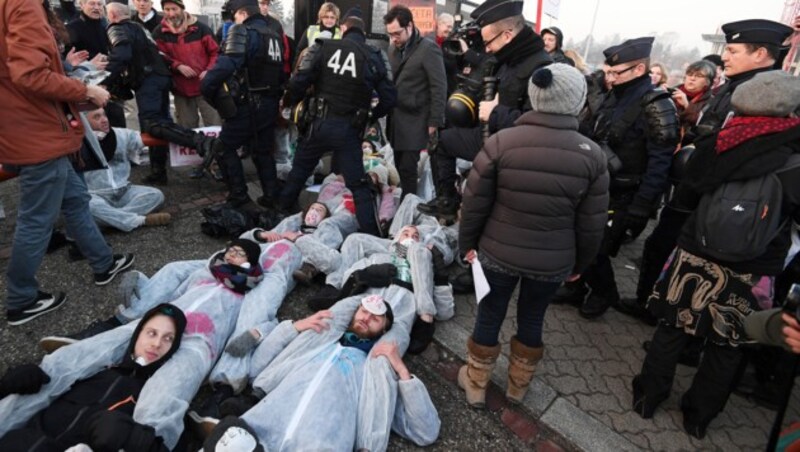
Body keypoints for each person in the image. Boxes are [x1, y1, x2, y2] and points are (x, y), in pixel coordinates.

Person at [632, 70, 800, 440]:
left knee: (672, 328)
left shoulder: (717, 144)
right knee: (729, 344)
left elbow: (685, 199)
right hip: (754, 269)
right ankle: (699, 416)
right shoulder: (795, 156)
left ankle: (648, 396)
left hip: (695, 254)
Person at [615, 20, 795, 323]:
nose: (725, 56)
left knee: (694, 263)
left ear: (761, 53)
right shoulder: (734, 85)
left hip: (720, 197)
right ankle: (655, 308)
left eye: (734, 50)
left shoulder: (766, 94)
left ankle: (676, 326)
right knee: (664, 246)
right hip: (697, 187)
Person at [457, 64, 609, 408]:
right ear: (578, 100)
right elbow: (591, 223)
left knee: (489, 312)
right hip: (553, 259)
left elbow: (474, 202)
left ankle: (477, 382)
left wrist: (467, 245)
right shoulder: (592, 156)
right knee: (532, 316)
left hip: (497, 252)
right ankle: (517, 386)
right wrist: (580, 263)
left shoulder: (501, 142)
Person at [1, 0, 134, 326]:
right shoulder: (23, 3)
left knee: (76, 201)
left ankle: (103, 264)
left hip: (35, 129)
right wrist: (84, 89)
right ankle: (21, 298)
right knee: (36, 221)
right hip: (39, 134)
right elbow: (30, 74)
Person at [200, 294, 440, 451]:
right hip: (261, 432)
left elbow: (425, 431)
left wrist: (401, 369)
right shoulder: (318, 340)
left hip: (318, 445)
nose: (366, 318)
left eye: (376, 318)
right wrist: (294, 328)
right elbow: (258, 367)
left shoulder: (375, 372)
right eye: (363, 311)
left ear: (384, 330)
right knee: (229, 439)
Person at [552, 36, 680, 319]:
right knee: (579, 239)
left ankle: (604, 292)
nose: (608, 77)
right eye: (607, 71)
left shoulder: (657, 104)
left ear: (638, 69)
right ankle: (576, 288)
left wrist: (642, 206)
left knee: (598, 248)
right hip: (596, 184)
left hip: (626, 192)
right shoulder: (612, 95)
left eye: (615, 72)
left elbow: (661, 161)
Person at [419, 0, 552, 220]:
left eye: (489, 41)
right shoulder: (506, 59)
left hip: (513, 152)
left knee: (480, 208)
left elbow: (539, 128)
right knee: (440, 141)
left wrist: (495, 112)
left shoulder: (540, 68)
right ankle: (447, 200)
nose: (487, 48)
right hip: (488, 135)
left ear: (507, 35)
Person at [0, 304, 186, 451]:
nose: (156, 344)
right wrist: (7, 386)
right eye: (152, 333)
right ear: (137, 335)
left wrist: (136, 440)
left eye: (168, 339)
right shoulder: (95, 368)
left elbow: (175, 441)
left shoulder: (158, 396)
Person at [276, 15, 397, 236]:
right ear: (364, 33)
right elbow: (389, 98)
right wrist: (370, 116)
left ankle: (280, 213)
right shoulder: (374, 55)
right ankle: (370, 235)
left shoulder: (323, 46)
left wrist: (291, 105)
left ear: (343, 28)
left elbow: (299, 80)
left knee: (300, 171)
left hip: (318, 124)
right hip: (349, 130)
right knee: (358, 186)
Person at [103, 2, 213, 185]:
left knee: (153, 123)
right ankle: (158, 172)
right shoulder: (139, 28)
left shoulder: (116, 28)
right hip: (161, 77)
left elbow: (121, 55)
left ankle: (200, 141)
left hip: (148, 81)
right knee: (157, 125)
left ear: (112, 15)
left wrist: (105, 80)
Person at [201, 0, 285, 209]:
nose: (233, 21)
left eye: (234, 16)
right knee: (262, 151)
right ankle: (270, 196)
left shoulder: (243, 31)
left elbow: (226, 66)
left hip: (248, 104)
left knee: (223, 148)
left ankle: (239, 196)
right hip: (268, 103)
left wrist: (208, 90)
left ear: (242, 13)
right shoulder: (273, 34)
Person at [384, 5, 447, 200]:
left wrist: (434, 122)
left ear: (409, 26)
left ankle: (408, 209)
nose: (394, 38)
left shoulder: (429, 49)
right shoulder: (393, 48)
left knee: (408, 168)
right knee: (399, 164)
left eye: (397, 33)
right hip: (396, 119)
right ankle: (408, 201)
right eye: (390, 34)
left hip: (416, 119)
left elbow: (439, 87)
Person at [83, 107, 172, 231]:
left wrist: (177, 136)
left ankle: (109, 220)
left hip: (123, 191)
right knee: (85, 206)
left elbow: (142, 139)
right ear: (84, 122)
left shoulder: (120, 134)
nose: (104, 120)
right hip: (95, 195)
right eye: (96, 117)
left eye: (104, 115)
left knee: (156, 195)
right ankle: (138, 220)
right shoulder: (77, 141)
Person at [154, 0, 221, 132]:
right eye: (167, 10)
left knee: (215, 126)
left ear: (182, 9)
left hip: (206, 87)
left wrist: (209, 70)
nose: (171, 13)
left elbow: (216, 52)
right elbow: (159, 55)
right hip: (181, 89)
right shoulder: (159, 32)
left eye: (174, 9)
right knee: (186, 131)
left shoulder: (202, 29)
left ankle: (216, 152)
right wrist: (177, 65)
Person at [670, 60, 716, 140]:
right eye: (690, 74)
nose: (692, 78)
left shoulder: (712, 102)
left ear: (707, 82)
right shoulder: (671, 93)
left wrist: (687, 106)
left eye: (699, 75)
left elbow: (704, 127)